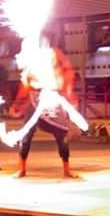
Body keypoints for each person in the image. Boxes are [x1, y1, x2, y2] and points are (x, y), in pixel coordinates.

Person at [9, 49, 77, 178]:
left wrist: (70, 97)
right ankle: (22, 169)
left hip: (53, 101)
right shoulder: (33, 65)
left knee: (62, 136)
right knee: (26, 135)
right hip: (35, 100)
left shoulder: (58, 63)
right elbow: (25, 85)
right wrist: (18, 104)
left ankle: (67, 169)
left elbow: (67, 79)